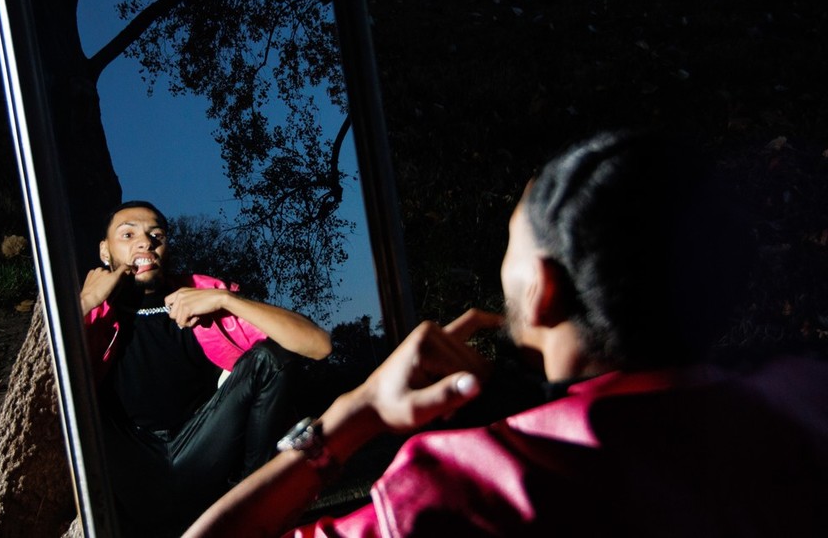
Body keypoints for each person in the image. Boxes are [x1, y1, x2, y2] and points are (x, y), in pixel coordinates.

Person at [184, 131, 828, 537]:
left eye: (511, 245)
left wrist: (356, 413)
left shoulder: (469, 486)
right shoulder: (803, 401)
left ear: (542, 288)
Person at [81, 200, 332, 537]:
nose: (145, 243)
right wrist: (85, 303)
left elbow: (319, 344)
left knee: (270, 359)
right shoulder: (91, 310)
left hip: (201, 450)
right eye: (128, 235)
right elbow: (46, 395)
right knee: (77, 396)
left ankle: (253, 508)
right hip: (130, 461)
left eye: (156, 235)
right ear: (105, 251)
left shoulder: (200, 295)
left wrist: (226, 300)